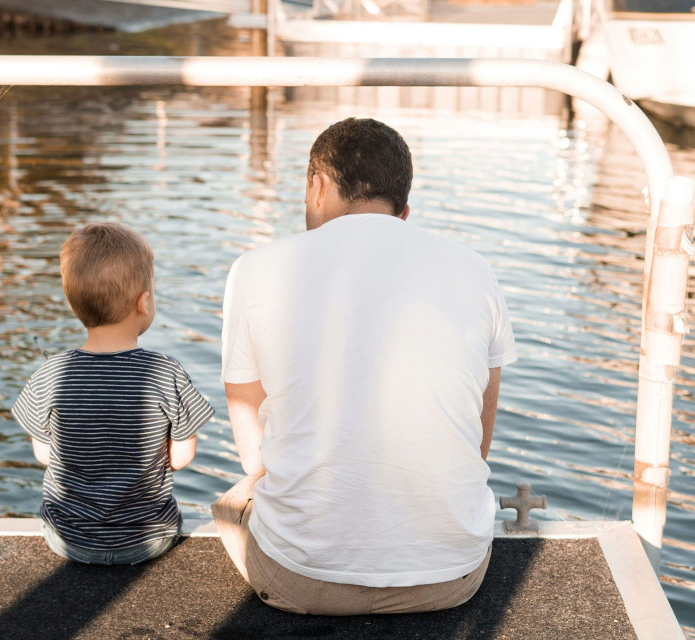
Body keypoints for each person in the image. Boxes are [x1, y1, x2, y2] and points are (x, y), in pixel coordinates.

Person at [213, 117, 517, 615]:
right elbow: (476, 443)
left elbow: (255, 458)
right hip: (452, 577)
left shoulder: (254, 269)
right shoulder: (475, 270)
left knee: (239, 495)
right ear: (404, 212)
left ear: (317, 186)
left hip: (302, 580)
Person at [14, 222, 215, 565]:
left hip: (69, 539)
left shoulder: (50, 373)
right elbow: (182, 457)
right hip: (148, 540)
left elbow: (44, 455)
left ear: (73, 304)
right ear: (144, 302)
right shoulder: (166, 372)